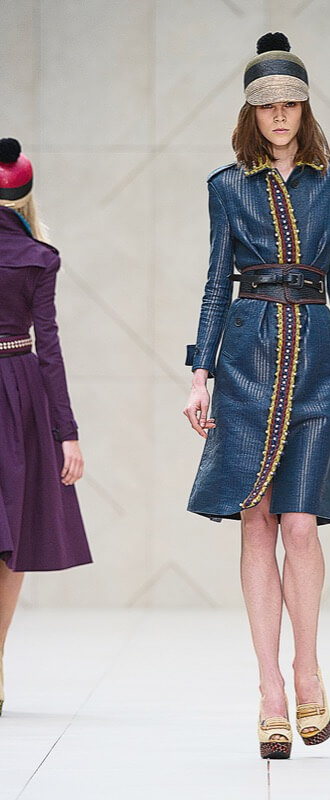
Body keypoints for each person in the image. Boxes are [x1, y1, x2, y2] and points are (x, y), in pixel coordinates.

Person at [183, 32, 330, 759]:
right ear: (251, 110)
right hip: (245, 360)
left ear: (304, 107)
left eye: (289, 102)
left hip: (314, 364)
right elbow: (216, 283)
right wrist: (200, 371)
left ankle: (307, 668)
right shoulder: (226, 187)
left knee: (300, 525)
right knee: (255, 523)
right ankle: (270, 690)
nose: (278, 114)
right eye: (266, 104)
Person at [0, 138, 92, 716]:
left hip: (15, 393)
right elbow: (50, 349)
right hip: (18, 393)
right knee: (10, 537)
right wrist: (67, 433)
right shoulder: (38, 256)